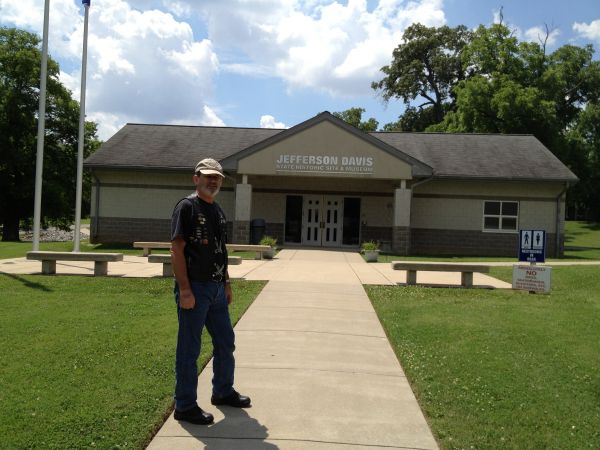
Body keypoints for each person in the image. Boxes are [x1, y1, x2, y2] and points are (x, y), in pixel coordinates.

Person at [170, 158, 251, 425]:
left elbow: (220, 251)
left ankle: (223, 391)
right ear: (196, 178)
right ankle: (184, 405)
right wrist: (184, 290)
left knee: (226, 341)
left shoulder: (217, 210)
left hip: (216, 289)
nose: (212, 180)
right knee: (189, 348)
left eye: (216, 177)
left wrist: (226, 283)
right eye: (207, 176)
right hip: (195, 287)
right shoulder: (187, 207)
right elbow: (177, 249)